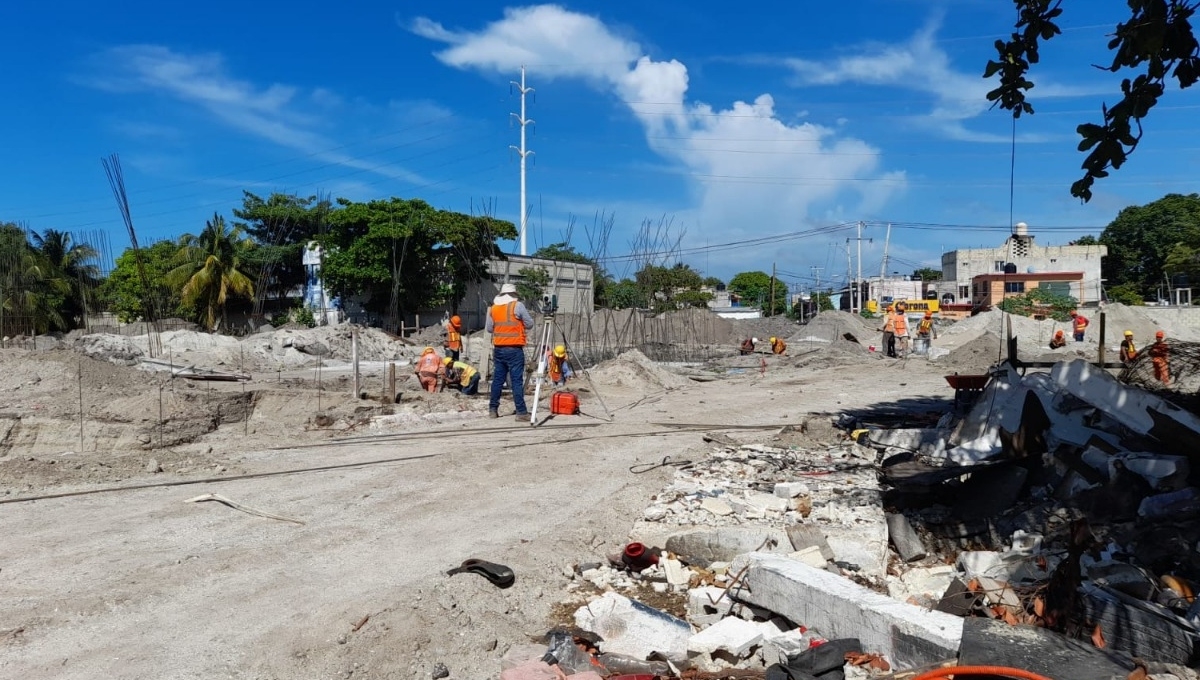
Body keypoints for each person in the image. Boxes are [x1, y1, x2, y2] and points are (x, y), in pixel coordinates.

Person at [486, 282, 535, 420]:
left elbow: (490, 328)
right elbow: (529, 324)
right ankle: (521, 412)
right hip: (514, 349)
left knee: (497, 380)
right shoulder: (517, 306)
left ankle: (493, 410)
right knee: (516, 381)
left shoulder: (494, 308)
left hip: (499, 349)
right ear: (514, 295)